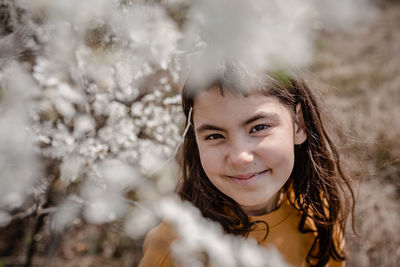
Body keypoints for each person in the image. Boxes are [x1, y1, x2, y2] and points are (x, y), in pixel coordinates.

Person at [139, 66, 355, 267]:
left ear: (299, 124)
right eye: (214, 135)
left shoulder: (318, 212)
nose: (240, 157)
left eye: (259, 127)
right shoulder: (173, 247)